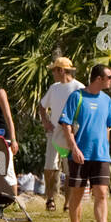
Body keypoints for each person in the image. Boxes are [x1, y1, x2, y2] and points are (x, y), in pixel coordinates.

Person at [58, 64, 111, 222]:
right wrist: (74, 148)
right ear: (98, 78)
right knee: (77, 193)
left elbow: (108, 126)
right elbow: (66, 124)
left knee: (101, 193)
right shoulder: (77, 96)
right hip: (79, 154)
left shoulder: (107, 100)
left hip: (101, 155)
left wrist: (105, 148)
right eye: (109, 77)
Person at [39, 57, 82, 212]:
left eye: (54, 70)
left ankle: (68, 203)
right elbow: (42, 106)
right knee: (49, 167)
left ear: (61, 70)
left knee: (70, 169)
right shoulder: (54, 88)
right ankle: (50, 199)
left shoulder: (79, 88)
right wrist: (45, 122)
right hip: (55, 131)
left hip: (72, 132)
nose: (53, 74)